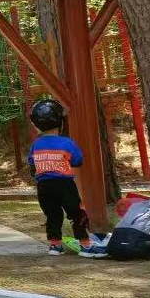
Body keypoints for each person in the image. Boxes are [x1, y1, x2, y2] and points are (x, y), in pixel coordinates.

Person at [27, 99, 107, 258]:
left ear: (36, 125)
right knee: (77, 213)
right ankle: (85, 246)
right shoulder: (67, 143)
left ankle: (55, 245)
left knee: (52, 215)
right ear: (60, 121)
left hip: (43, 186)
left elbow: (31, 164)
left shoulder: (36, 145)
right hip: (64, 184)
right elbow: (77, 160)